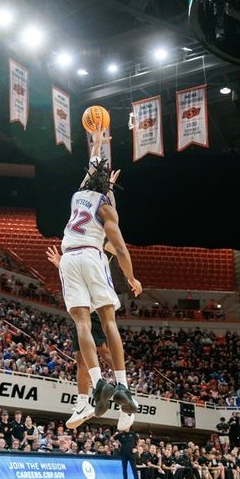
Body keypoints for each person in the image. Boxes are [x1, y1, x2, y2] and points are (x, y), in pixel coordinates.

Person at [58, 128, 141, 422]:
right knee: (108, 321)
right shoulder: (106, 208)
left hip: (68, 258)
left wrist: (97, 143)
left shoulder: (77, 196)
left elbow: (93, 170)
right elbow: (119, 248)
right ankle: (123, 386)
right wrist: (131, 279)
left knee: (82, 323)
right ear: (110, 188)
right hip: (92, 256)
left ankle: (98, 384)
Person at [46, 243, 133, 431]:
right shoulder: (80, 240)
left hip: (95, 301)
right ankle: (84, 402)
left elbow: (119, 251)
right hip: (82, 300)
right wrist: (63, 264)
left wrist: (131, 278)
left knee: (102, 351)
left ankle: (125, 394)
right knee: (81, 357)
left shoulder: (99, 235)